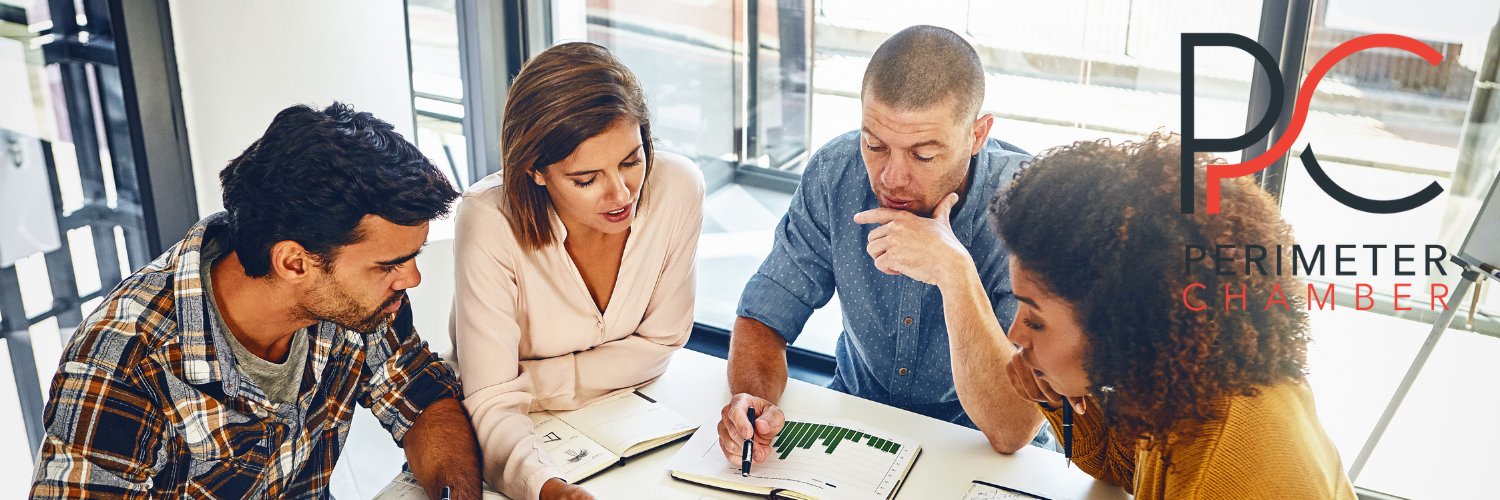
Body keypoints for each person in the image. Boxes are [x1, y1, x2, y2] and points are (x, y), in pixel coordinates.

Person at [29, 103, 482, 499]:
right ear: (294, 263)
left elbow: (422, 397)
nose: (413, 278)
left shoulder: (362, 307)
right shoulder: (122, 365)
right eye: (389, 265)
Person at [717, 25, 1047, 467]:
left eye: (923, 155)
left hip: (979, 450)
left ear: (977, 135)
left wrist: (954, 272)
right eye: (874, 144)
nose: (890, 178)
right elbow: (764, 316)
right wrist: (753, 403)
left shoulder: (1030, 208)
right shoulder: (836, 173)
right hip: (858, 426)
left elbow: (1010, 430)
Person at [996, 133, 1356, 499]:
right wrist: (1058, 395)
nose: (1014, 334)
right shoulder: (1186, 386)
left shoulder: (1220, 475)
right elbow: (1120, 467)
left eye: (1036, 320)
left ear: (1121, 324)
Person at [450, 42, 704, 500]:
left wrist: (527, 381)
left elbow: (662, 343)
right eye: (586, 179)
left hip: (638, 424)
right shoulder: (488, 221)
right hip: (518, 443)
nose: (621, 193)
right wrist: (543, 487)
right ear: (536, 171)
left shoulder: (677, 187)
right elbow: (489, 401)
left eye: (631, 160)